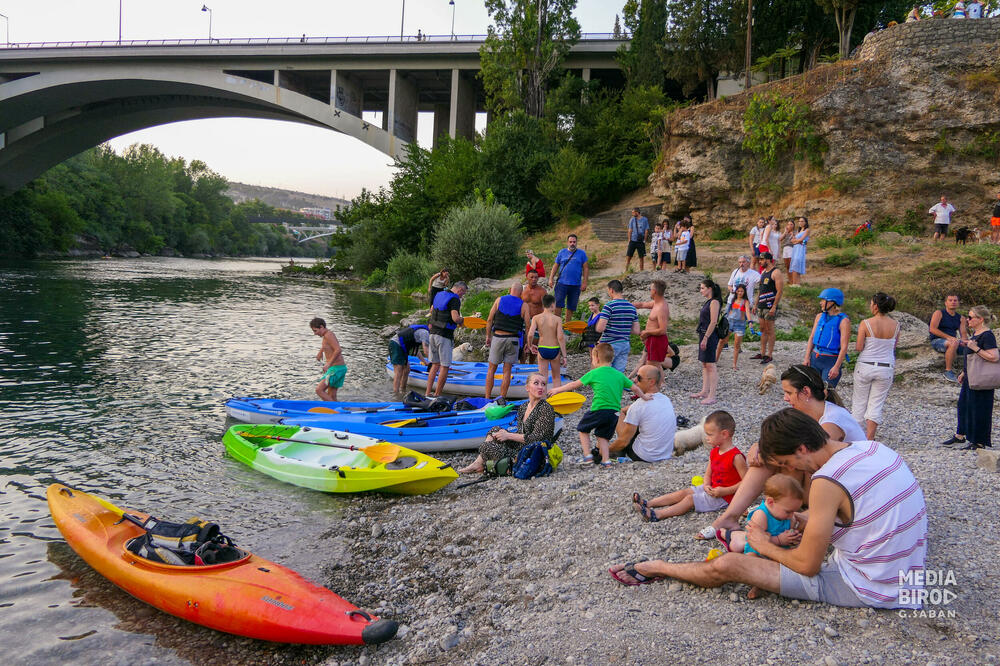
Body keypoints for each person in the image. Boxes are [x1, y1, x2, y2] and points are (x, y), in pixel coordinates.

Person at [613, 408, 928, 611]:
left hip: (872, 585)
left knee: (727, 566)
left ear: (802, 449)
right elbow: (864, 511)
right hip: (911, 570)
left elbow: (807, 565)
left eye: (788, 464)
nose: (789, 470)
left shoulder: (826, 481)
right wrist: (807, 521)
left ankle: (656, 567)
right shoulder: (872, 448)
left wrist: (764, 545)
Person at [630, 410, 746, 524]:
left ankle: (658, 514)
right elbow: (708, 474)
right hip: (713, 488)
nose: (706, 438)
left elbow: (746, 482)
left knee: (690, 499)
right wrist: (706, 484)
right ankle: (648, 503)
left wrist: (725, 491)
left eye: (710, 435)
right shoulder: (715, 451)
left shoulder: (736, 457)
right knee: (684, 492)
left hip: (726, 496)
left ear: (724, 434)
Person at [549, 342, 651, 467]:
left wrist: (556, 390)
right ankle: (606, 460)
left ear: (596, 358)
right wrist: (645, 397)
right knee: (603, 436)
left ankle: (587, 456)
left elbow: (573, 384)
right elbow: (634, 388)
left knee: (582, 429)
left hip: (599, 409)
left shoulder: (594, 373)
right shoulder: (619, 375)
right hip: (614, 413)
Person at [725, 474, 805, 599]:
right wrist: (779, 539)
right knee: (751, 561)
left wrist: (792, 537)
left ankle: (766, 584)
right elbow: (755, 540)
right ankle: (758, 584)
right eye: (788, 511)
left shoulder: (789, 515)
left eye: (794, 511)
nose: (791, 516)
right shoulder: (761, 515)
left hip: (778, 551)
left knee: (792, 562)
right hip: (757, 550)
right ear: (770, 502)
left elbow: (788, 531)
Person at [457, 374, 556, 475]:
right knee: (495, 430)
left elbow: (537, 439)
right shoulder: (524, 406)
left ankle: (484, 464)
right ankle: (479, 463)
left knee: (487, 447)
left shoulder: (545, 408)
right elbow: (521, 432)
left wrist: (508, 435)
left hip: (533, 454)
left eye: (543, 384)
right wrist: (505, 435)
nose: (540, 387)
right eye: (536, 383)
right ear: (527, 387)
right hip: (522, 447)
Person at [942, 305, 998, 450]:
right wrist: (964, 372)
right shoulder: (976, 334)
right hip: (971, 376)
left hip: (982, 379)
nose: (967, 320)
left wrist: (975, 348)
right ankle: (960, 435)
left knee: (980, 407)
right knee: (964, 405)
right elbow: (972, 358)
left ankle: (979, 441)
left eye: (971, 317)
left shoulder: (987, 335)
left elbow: (994, 357)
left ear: (980, 319)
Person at [852, 292, 900, 439]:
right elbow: (894, 346)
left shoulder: (866, 323)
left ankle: (856, 437)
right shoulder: (896, 325)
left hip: (866, 364)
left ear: (876, 306)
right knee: (876, 404)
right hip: (886, 366)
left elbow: (859, 347)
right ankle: (870, 439)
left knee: (859, 403)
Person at [611, 365, 677, 462]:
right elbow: (636, 410)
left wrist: (604, 451)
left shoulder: (639, 406)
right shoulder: (665, 399)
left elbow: (623, 442)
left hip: (644, 456)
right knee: (634, 418)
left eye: (639, 378)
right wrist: (625, 410)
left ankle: (618, 453)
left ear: (651, 382)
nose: (634, 380)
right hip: (665, 454)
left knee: (615, 412)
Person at [484, 282, 531, 401]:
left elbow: (489, 320)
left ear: (510, 289)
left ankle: (487, 397)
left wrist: (488, 336)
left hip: (498, 338)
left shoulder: (499, 300)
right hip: (514, 340)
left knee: (491, 369)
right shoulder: (524, 305)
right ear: (521, 293)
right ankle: (502, 398)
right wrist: (527, 344)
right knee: (507, 370)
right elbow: (528, 327)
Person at [425, 282, 467, 397]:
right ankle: (437, 394)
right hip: (444, 336)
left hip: (432, 333)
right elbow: (455, 318)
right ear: (460, 290)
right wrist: (462, 320)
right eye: (463, 294)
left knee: (434, 364)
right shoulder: (455, 299)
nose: (462, 296)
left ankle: (427, 393)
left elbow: (432, 311)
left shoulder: (439, 294)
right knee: (444, 366)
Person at [803, 288, 850, 389]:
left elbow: (844, 346)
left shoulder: (843, 321)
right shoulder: (819, 316)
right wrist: (807, 357)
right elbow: (812, 338)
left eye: (823, 300)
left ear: (832, 302)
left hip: (830, 361)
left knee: (826, 392)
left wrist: (836, 367)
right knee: (812, 390)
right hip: (815, 358)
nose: (820, 303)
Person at [630, 279, 675, 376]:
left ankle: (648, 386)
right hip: (652, 340)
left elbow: (663, 330)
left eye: (650, 289)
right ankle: (661, 384)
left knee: (650, 367)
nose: (650, 291)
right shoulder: (656, 303)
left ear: (654, 291)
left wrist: (647, 333)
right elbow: (642, 305)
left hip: (657, 340)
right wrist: (627, 304)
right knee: (656, 366)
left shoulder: (661, 307)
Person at [595, 279, 639, 374]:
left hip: (609, 345)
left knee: (604, 371)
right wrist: (623, 329)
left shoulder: (609, 306)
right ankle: (617, 388)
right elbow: (636, 330)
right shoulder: (631, 307)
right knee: (618, 373)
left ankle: (605, 388)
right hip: (624, 344)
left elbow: (600, 328)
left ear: (611, 290)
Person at [691, 279, 723, 405]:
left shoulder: (714, 302)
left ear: (710, 288)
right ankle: (704, 391)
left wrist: (706, 338)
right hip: (703, 333)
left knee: (710, 364)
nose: (701, 290)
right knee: (704, 364)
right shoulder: (708, 302)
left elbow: (714, 321)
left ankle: (712, 395)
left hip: (709, 335)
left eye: (703, 288)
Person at [527, 294, 568, 389]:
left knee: (542, 378)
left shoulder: (536, 318)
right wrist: (564, 356)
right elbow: (560, 337)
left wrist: (530, 345)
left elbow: (530, 334)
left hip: (542, 348)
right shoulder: (557, 319)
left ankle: (542, 400)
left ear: (543, 304)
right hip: (554, 349)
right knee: (556, 377)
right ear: (553, 305)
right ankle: (557, 401)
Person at [929, 293, 968, 382]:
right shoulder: (939, 313)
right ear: (946, 303)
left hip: (953, 341)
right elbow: (932, 329)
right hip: (938, 340)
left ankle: (966, 372)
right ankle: (948, 371)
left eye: (955, 300)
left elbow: (964, 334)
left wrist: (965, 342)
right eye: (950, 300)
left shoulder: (961, 318)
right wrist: (949, 337)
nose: (953, 302)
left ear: (958, 303)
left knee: (973, 347)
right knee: (953, 343)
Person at [551, 234, 589, 324]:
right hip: (561, 283)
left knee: (571, 306)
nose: (572, 244)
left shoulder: (582, 254)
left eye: (574, 242)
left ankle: (567, 325)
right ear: (567, 242)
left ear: (577, 242)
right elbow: (555, 265)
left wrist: (585, 282)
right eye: (570, 242)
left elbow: (586, 268)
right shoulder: (561, 252)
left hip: (576, 284)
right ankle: (557, 325)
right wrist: (551, 278)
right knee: (558, 304)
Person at [752, 252, 783, 364]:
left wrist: (774, 306)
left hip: (770, 306)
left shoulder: (776, 272)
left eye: (761, 260)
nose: (760, 262)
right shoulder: (763, 272)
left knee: (770, 330)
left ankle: (769, 355)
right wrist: (755, 304)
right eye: (759, 260)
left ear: (768, 260)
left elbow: (779, 291)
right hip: (761, 305)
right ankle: (762, 352)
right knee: (762, 329)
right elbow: (760, 290)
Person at [310, 317, 346, 401]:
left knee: (319, 390)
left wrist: (328, 363)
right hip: (340, 368)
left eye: (315, 330)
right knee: (331, 395)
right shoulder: (326, 335)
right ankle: (334, 411)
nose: (315, 333)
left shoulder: (328, 335)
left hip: (335, 369)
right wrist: (321, 351)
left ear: (321, 327)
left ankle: (336, 411)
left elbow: (338, 349)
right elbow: (328, 345)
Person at [389, 324, 430, 395]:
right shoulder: (425, 333)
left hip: (401, 346)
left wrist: (425, 362)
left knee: (407, 370)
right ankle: (395, 394)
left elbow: (416, 351)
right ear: (430, 326)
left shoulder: (421, 333)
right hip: (396, 344)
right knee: (399, 371)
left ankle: (403, 391)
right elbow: (426, 350)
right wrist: (433, 362)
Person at [718, 283, 750, 369]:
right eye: (738, 291)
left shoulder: (746, 301)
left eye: (742, 291)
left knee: (736, 345)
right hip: (730, 323)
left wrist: (750, 322)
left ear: (744, 292)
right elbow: (726, 312)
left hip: (740, 325)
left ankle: (734, 365)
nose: (740, 293)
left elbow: (747, 312)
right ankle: (715, 360)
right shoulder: (732, 300)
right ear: (736, 291)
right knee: (722, 341)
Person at [521, 269, 547, 362]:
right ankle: (522, 364)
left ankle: (531, 364)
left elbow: (546, 308)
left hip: (536, 321)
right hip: (524, 320)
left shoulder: (542, 291)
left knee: (534, 345)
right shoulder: (522, 290)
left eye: (536, 277)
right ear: (527, 277)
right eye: (531, 277)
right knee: (523, 344)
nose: (534, 279)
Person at [625, 208, 650, 272]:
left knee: (641, 257)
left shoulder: (645, 219)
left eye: (633, 212)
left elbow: (646, 230)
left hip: (640, 241)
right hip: (633, 240)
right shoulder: (632, 220)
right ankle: (626, 270)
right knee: (629, 256)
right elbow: (630, 230)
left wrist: (644, 240)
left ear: (637, 212)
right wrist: (629, 240)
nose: (632, 214)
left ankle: (641, 271)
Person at [788, 217, 809, 285]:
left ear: (805, 222)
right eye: (799, 221)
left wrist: (798, 241)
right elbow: (792, 240)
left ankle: (795, 284)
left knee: (796, 264)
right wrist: (795, 238)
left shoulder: (807, 230)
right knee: (795, 264)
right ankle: (797, 284)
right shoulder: (798, 230)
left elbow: (802, 240)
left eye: (802, 221)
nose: (800, 222)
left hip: (800, 249)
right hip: (796, 248)